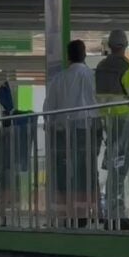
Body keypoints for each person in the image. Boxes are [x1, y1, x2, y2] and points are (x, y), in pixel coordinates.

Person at [43, 39, 98, 227]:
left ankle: (64, 214)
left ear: (68, 57)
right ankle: (82, 215)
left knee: (63, 173)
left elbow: (48, 108)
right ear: (84, 55)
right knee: (84, 172)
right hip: (84, 130)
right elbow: (95, 104)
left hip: (60, 133)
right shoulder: (90, 76)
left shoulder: (58, 79)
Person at [95, 30, 129, 230]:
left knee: (112, 166)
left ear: (109, 45)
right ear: (124, 46)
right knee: (121, 168)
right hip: (123, 119)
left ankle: (110, 213)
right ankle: (117, 215)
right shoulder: (127, 66)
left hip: (105, 121)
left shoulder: (100, 67)